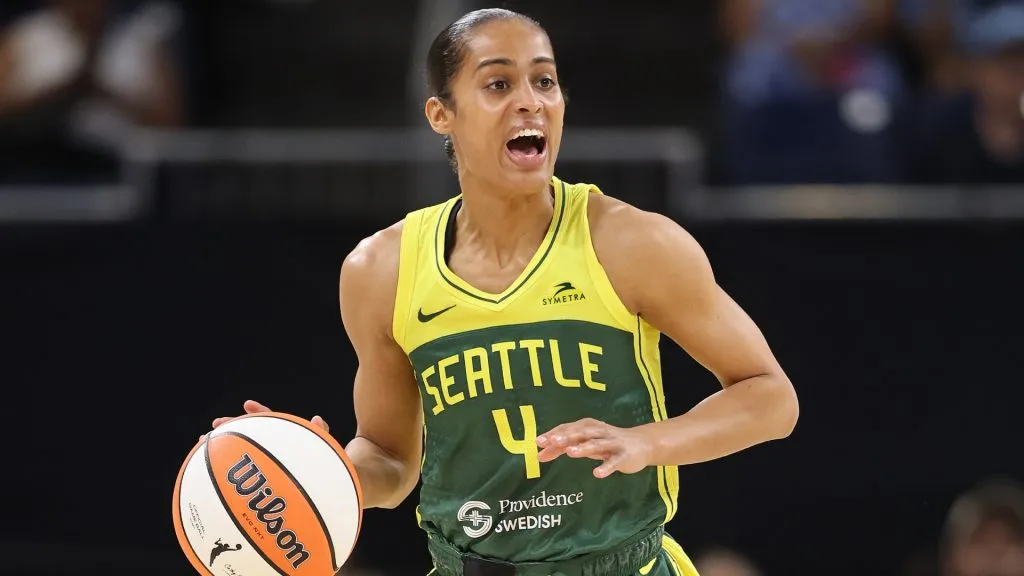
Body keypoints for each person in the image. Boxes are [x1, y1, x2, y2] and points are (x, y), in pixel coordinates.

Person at [211, 8, 799, 576]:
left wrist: (646, 442)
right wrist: (319, 470)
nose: (531, 101)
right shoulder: (380, 270)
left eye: (545, 80)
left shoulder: (630, 243)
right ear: (442, 115)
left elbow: (770, 397)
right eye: (498, 83)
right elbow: (390, 458)